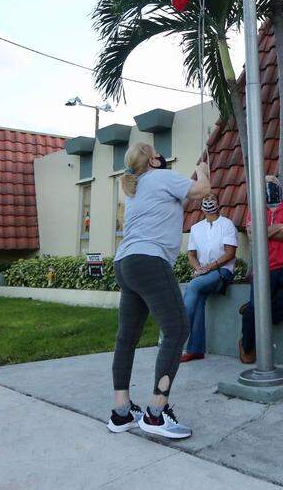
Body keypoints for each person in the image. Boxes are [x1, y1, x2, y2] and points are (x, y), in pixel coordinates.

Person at [107, 142, 210, 440]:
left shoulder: (137, 188)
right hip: (150, 261)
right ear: (152, 160)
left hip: (125, 263)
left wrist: (193, 178)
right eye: (156, 153)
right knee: (177, 329)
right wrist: (203, 172)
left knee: (126, 338)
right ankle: (155, 413)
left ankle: (121, 412)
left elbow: (181, 193)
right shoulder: (161, 177)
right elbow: (202, 192)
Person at [238, 174, 283, 365]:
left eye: (272, 183)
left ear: (279, 187)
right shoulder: (255, 211)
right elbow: (254, 236)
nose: (269, 186)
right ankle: (246, 346)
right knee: (254, 310)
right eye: (265, 183)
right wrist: (281, 227)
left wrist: (268, 230)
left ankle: (270, 314)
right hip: (264, 267)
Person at [180, 195, 237, 363]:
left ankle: (178, 332)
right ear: (201, 207)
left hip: (223, 271)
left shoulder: (227, 224)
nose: (209, 203)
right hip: (204, 273)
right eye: (206, 200)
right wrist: (198, 269)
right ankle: (195, 349)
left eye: (212, 200)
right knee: (198, 299)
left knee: (193, 286)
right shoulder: (196, 228)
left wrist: (207, 268)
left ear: (219, 204)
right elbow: (191, 254)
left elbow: (230, 253)